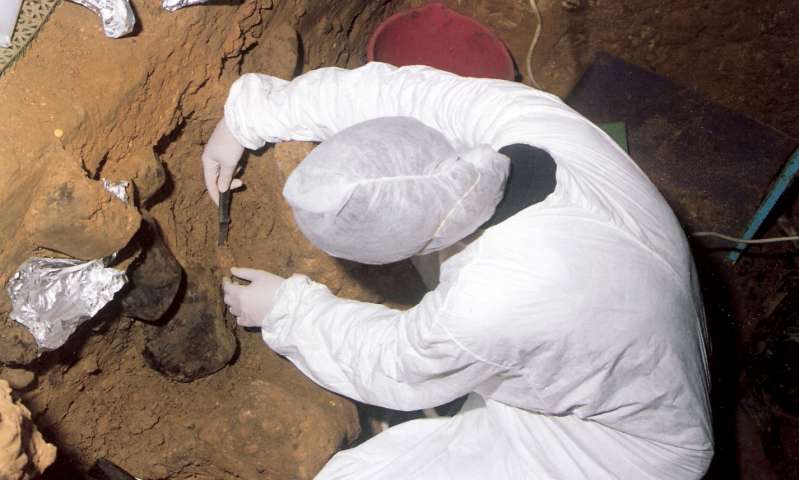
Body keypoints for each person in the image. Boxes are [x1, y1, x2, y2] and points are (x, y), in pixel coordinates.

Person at [201, 62, 713, 479]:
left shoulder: (486, 303)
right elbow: (389, 90)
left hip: (620, 445)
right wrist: (248, 117)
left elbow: (394, 362)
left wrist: (284, 310)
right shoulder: (523, 118)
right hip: (632, 335)